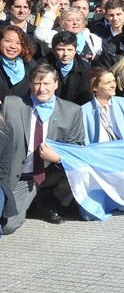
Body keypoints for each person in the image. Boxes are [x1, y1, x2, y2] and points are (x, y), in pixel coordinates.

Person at [1, 64, 85, 233]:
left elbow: (77, 150)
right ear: (30, 84)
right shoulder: (12, 104)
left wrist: (57, 157)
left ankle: (56, 201)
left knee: (79, 172)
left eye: (47, 83)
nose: (42, 89)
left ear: (56, 84)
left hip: (52, 171)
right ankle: (33, 202)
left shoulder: (72, 111)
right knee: (8, 226)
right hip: (22, 175)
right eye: (37, 83)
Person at [81, 67, 124, 145]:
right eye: (107, 83)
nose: (113, 85)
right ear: (95, 87)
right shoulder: (84, 111)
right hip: (99, 154)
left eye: (114, 81)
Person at [34, 7, 102, 61]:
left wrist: (98, 57)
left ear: (83, 23)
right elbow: (40, 35)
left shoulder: (93, 39)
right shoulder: (55, 37)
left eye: (78, 20)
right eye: (70, 20)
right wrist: (50, 13)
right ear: (63, 24)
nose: (75, 23)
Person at [44, 31, 92, 106]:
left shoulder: (85, 69)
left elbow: (84, 98)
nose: (65, 54)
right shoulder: (41, 67)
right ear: (53, 50)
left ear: (75, 50)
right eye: (61, 49)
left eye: (69, 50)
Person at [0, 25, 37, 103]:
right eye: (8, 41)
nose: (13, 46)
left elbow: (34, 90)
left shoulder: (28, 63)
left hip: (22, 110)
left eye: (18, 43)